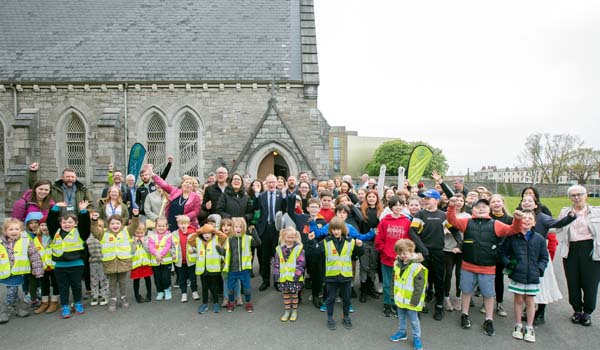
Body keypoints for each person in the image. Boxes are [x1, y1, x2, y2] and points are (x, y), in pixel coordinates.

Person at [446, 197, 524, 336]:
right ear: (473, 210)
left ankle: (489, 320)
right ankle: (464, 314)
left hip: (487, 268)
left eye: (484, 206)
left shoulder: (496, 224)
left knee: (488, 294)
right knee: (466, 291)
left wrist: (517, 220)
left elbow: (513, 230)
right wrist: (451, 206)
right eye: (478, 206)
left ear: (489, 210)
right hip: (468, 265)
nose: (481, 208)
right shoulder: (466, 222)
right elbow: (452, 221)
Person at [410, 189, 462, 321]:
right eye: (424, 198)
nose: (425, 200)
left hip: (439, 252)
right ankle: (420, 305)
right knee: (421, 280)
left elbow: (455, 231)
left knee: (440, 279)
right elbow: (412, 232)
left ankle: (439, 305)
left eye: (428, 198)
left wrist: (459, 244)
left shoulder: (443, 216)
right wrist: (422, 249)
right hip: (423, 253)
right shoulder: (420, 214)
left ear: (437, 200)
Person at [500, 210, 549, 343]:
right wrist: (510, 265)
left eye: (530, 218)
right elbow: (502, 252)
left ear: (534, 222)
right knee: (518, 300)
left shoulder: (539, 238)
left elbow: (544, 257)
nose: (526, 220)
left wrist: (539, 269)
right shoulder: (512, 236)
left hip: (533, 275)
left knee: (530, 301)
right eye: (523, 218)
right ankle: (518, 325)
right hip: (517, 274)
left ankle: (529, 327)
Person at [307, 217, 363, 330]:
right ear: (330, 230)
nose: (336, 231)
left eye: (338, 229)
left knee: (346, 299)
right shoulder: (325, 242)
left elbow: (359, 254)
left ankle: (346, 317)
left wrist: (360, 246)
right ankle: (330, 318)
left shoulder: (350, 241)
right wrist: (311, 241)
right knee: (330, 299)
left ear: (343, 229)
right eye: (334, 229)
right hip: (331, 277)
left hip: (346, 277)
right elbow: (314, 254)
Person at [556, 184, 600, 327]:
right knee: (573, 281)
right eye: (573, 195)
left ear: (586, 195)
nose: (576, 198)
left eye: (579, 194)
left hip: (590, 249)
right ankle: (577, 310)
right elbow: (556, 227)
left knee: (590, 282)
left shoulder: (596, 212)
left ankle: (587, 312)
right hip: (571, 249)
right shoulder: (565, 212)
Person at [46, 200, 92, 318]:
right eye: (64, 222)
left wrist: (83, 211)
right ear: (60, 223)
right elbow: (50, 221)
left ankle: (78, 303)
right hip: (60, 267)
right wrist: (56, 208)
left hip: (76, 265)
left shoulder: (80, 233)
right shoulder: (55, 232)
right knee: (63, 288)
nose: (67, 224)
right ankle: (65, 306)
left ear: (76, 223)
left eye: (70, 222)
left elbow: (86, 224)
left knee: (76, 286)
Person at [90, 208, 139, 312]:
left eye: (117, 223)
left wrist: (135, 216)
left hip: (123, 261)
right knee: (112, 282)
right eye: (112, 223)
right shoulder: (103, 233)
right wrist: (94, 221)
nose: (115, 226)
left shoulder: (127, 231)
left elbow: (134, 226)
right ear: (109, 225)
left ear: (121, 224)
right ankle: (112, 299)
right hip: (110, 262)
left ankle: (123, 297)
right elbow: (94, 231)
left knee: (122, 281)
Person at [0, 218, 44, 324]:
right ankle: (5, 311)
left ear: (21, 230)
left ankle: (11, 310)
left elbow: (34, 256)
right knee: (12, 291)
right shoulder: (1, 242)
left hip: (17, 272)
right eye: (11, 229)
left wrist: (37, 270)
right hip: (5, 271)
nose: (14, 231)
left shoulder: (26, 241)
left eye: (17, 229)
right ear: (5, 231)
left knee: (12, 291)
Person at [375, 196, 412, 317]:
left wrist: (406, 254)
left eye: (400, 205)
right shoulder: (384, 221)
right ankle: (387, 304)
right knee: (387, 283)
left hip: (401, 259)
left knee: (399, 283)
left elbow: (408, 239)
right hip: (386, 258)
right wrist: (383, 250)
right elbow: (379, 239)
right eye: (395, 205)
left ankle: (396, 303)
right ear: (391, 207)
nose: (398, 207)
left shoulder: (406, 221)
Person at [389, 239, 427, 350]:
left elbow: (419, 287)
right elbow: (393, 280)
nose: (402, 255)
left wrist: (415, 301)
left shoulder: (417, 267)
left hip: (412, 301)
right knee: (401, 317)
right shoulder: (397, 264)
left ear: (411, 251)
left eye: (405, 253)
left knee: (414, 320)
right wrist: (393, 294)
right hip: (400, 299)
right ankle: (402, 333)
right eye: (399, 253)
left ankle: (417, 338)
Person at [146, 164, 201, 231]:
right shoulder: (175, 191)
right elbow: (163, 184)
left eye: (190, 183)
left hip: (186, 224)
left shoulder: (196, 197)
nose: (188, 184)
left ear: (192, 187)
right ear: (182, 184)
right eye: (186, 182)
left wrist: (185, 217)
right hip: (171, 222)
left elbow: (196, 211)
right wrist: (152, 174)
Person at [189, 221, 227, 314]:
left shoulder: (217, 239)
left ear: (212, 233)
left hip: (214, 269)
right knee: (204, 287)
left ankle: (216, 303)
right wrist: (198, 231)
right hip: (202, 269)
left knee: (214, 287)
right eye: (204, 233)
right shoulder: (198, 240)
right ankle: (204, 303)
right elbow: (190, 240)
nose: (206, 235)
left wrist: (213, 230)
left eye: (209, 233)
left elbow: (224, 237)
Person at [224, 217, 261, 312]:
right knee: (230, 289)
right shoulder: (229, 240)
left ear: (243, 228)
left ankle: (248, 303)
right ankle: (231, 302)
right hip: (232, 269)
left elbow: (258, 243)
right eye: (236, 227)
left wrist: (254, 232)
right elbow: (226, 252)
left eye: (240, 227)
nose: (238, 229)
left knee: (247, 289)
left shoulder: (248, 238)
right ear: (233, 228)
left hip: (244, 269)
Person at [256, 174, 286, 291]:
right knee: (264, 257)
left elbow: (285, 210)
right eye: (269, 182)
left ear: (276, 183)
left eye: (273, 182)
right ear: (266, 183)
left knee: (277, 256)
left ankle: (277, 281)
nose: (272, 184)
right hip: (264, 229)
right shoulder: (261, 196)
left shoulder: (281, 195)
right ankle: (265, 281)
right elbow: (257, 211)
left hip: (277, 229)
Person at [28, 163, 94, 214]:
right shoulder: (54, 188)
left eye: (72, 177)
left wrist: (86, 214)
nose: (70, 179)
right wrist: (33, 172)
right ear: (62, 177)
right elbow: (36, 187)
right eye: (67, 176)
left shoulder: (83, 189)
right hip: (59, 220)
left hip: (77, 221)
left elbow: (90, 205)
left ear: (75, 178)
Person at [273, 227, 306, 322]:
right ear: (284, 237)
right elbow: (276, 264)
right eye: (288, 237)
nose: (290, 240)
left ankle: (294, 311)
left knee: (294, 295)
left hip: (295, 278)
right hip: (284, 278)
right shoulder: (279, 249)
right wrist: (276, 274)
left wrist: (297, 275)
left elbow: (301, 263)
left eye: (292, 237)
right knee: (286, 295)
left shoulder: (299, 249)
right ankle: (287, 311)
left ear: (295, 238)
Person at [443, 193, 469, 312]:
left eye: (461, 200)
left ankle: (458, 297)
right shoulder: (445, 215)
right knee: (448, 274)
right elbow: (440, 228)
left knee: (460, 275)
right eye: (456, 200)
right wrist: (444, 230)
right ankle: (446, 297)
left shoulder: (467, 216)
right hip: (448, 248)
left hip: (462, 250)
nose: (458, 202)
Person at [359, 190, 384, 304]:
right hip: (364, 241)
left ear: (377, 198)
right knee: (364, 265)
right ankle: (363, 288)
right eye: (369, 197)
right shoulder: (362, 210)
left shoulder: (381, 212)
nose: (371, 199)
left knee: (373, 265)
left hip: (376, 242)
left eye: (374, 197)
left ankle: (370, 286)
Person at [33, 219, 60, 314]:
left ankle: (54, 301)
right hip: (42, 266)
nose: (44, 227)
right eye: (42, 225)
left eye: (47, 225)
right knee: (44, 284)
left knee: (55, 283)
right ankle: (44, 302)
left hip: (54, 265)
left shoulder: (55, 237)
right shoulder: (37, 238)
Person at [136, 155, 173, 223]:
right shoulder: (139, 188)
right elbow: (137, 202)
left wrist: (169, 163)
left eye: (146, 175)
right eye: (142, 176)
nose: (144, 177)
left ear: (149, 175)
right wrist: (141, 208)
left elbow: (164, 175)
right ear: (140, 177)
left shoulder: (156, 184)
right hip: (145, 214)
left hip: (157, 213)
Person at [171, 215, 199, 303]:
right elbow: (171, 246)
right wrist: (173, 254)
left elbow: (198, 246)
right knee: (182, 278)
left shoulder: (193, 234)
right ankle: (184, 293)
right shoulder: (174, 234)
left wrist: (193, 250)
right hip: (180, 261)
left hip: (191, 261)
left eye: (185, 223)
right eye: (181, 223)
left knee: (193, 277)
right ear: (178, 224)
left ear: (188, 224)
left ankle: (194, 291)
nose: (183, 225)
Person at [148, 217, 174, 301]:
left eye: (163, 226)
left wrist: (161, 255)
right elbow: (150, 246)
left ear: (166, 226)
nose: (161, 227)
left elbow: (167, 246)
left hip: (165, 261)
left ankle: (167, 290)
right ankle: (160, 291)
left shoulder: (169, 235)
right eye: (159, 226)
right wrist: (156, 254)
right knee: (157, 278)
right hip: (155, 261)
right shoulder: (152, 235)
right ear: (155, 226)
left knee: (166, 277)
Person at [86, 218, 109, 307]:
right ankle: (94, 295)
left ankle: (105, 295)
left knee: (104, 279)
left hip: (103, 261)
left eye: (100, 226)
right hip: (93, 261)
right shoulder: (89, 237)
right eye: (96, 226)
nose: (98, 228)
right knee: (94, 280)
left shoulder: (105, 236)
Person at [130, 222, 153, 303]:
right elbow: (132, 251)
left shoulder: (147, 239)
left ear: (145, 232)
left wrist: (143, 242)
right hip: (136, 264)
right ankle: (137, 295)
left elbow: (148, 250)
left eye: (141, 233)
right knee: (136, 280)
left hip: (146, 263)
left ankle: (149, 294)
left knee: (147, 279)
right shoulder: (131, 239)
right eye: (137, 233)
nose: (139, 235)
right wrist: (135, 242)